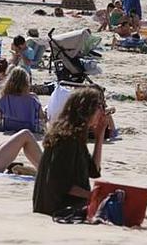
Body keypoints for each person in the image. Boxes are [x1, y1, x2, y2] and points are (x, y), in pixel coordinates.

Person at [33, 87, 108, 216]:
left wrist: (99, 136)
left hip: (63, 205)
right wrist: (92, 196)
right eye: (99, 107)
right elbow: (59, 183)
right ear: (86, 110)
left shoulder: (75, 136)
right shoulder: (66, 139)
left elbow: (94, 171)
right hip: (58, 208)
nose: (102, 111)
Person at [0, 67, 45, 132]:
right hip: (29, 128)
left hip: (8, 126)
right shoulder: (33, 98)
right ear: (26, 83)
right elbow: (41, 116)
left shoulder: (4, 98)